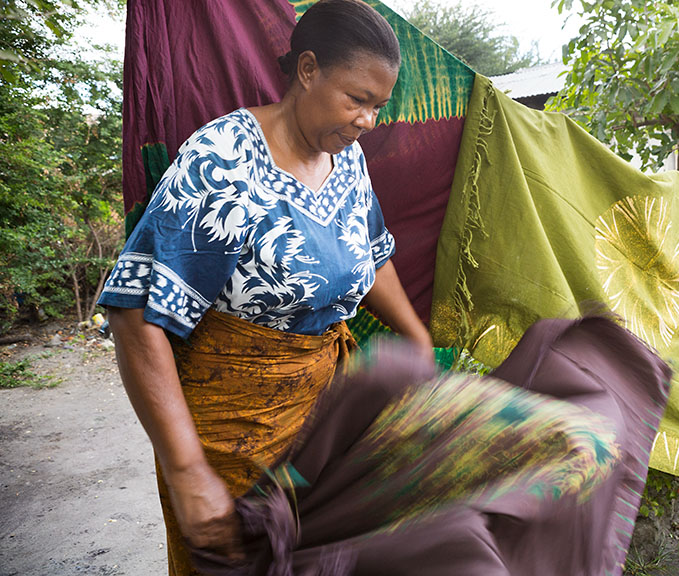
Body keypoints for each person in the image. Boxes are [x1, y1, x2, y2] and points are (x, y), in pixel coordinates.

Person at [98, 1, 432, 573]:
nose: (367, 121)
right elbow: (136, 314)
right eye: (357, 99)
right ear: (308, 69)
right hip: (226, 432)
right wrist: (187, 471)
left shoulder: (347, 159)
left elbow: (372, 253)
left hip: (319, 423)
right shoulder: (225, 161)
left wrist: (415, 339)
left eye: (378, 106)